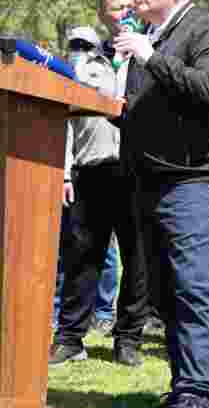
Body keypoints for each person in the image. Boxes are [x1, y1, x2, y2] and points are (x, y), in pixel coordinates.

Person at [116, 0, 209, 408]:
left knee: (192, 289)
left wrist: (150, 57)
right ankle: (181, 386)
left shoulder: (207, 29)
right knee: (165, 294)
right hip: (150, 180)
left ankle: (196, 396)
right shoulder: (153, 37)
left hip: (194, 181)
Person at [50, 25, 147, 367]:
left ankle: (128, 338)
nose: (122, 15)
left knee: (137, 259)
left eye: (127, 7)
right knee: (82, 257)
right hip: (91, 169)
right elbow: (65, 119)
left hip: (137, 172)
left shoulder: (150, 56)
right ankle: (70, 338)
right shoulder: (84, 63)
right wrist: (64, 171)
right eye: (115, 8)